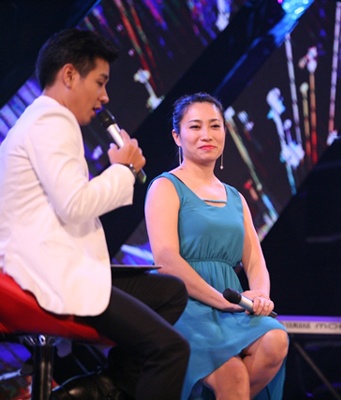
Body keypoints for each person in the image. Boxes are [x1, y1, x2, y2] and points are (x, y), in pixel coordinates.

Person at [0, 28, 190, 400]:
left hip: (57, 265)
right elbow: (75, 205)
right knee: (170, 350)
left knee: (170, 293)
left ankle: (103, 387)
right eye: (100, 83)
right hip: (47, 274)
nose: (105, 97)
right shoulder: (52, 121)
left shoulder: (42, 119)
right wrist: (123, 170)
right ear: (70, 75)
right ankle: (101, 389)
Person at [144, 92, 289, 400]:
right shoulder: (165, 187)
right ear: (177, 136)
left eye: (215, 126)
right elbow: (166, 259)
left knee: (276, 340)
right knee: (232, 375)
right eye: (195, 126)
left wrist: (260, 295)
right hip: (185, 304)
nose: (206, 135)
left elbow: (255, 261)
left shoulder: (235, 197)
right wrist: (220, 300)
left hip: (232, 304)